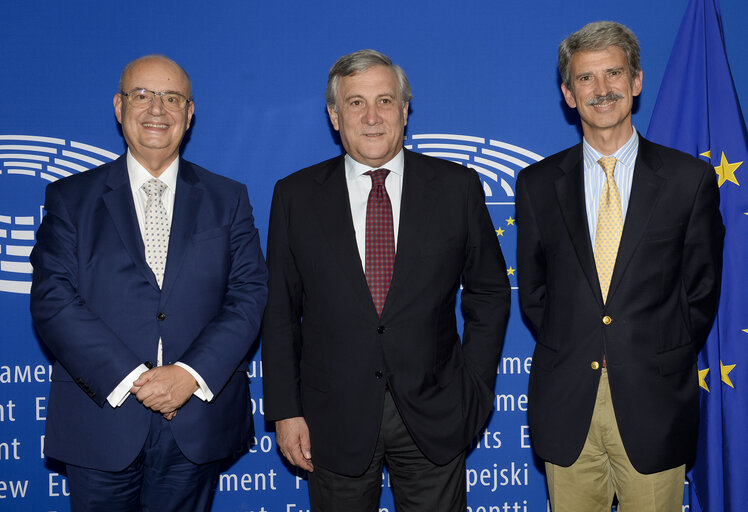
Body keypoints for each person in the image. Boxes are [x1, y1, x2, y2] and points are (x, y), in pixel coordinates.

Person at [262, 49, 510, 511]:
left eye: (385, 101)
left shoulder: (457, 187)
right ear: (335, 116)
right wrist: (285, 409)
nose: (372, 117)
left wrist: (474, 389)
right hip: (331, 418)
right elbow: (279, 311)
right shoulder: (294, 196)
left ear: (404, 109)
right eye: (356, 103)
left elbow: (490, 292)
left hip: (436, 412)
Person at [29, 55, 268, 511]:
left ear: (189, 113)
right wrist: (136, 380)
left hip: (195, 419)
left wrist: (186, 375)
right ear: (119, 107)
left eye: (172, 98)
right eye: (142, 95)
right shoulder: (70, 198)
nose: (157, 109)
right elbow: (53, 300)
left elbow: (248, 295)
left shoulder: (228, 198)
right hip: (101, 417)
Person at [516, 21, 724, 511]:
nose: (602, 89)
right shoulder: (537, 184)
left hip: (654, 402)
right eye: (586, 78)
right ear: (569, 94)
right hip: (568, 405)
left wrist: (652, 351)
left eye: (614, 73)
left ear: (636, 82)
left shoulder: (687, 180)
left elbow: (702, 291)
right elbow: (535, 293)